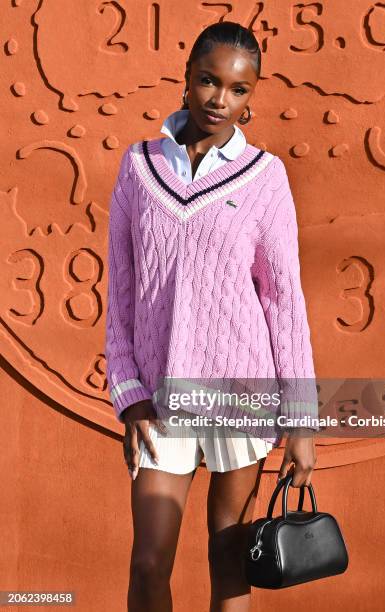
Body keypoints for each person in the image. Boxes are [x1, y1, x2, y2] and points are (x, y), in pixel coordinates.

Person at [105, 21, 319, 612]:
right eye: (208, 81)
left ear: (251, 96)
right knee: (148, 562)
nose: (219, 99)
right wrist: (128, 393)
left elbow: (284, 301)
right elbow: (120, 289)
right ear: (187, 79)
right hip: (159, 395)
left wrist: (301, 421)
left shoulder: (264, 178)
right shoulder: (140, 168)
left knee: (229, 559)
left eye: (237, 89)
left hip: (242, 394)